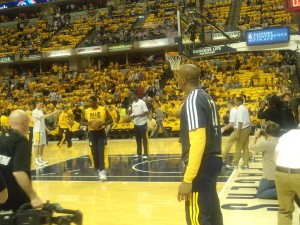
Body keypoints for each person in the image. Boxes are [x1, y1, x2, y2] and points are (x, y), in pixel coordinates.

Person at [176, 64, 223, 225]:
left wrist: (188, 179)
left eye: (177, 77)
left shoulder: (192, 100)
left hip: (201, 164)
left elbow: (198, 141)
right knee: (212, 214)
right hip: (214, 159)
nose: (176, 80)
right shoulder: (206, 97)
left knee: (198, 218)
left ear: (182, 80)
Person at [0, 110, 43, 210]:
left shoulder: (1, 138)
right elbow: (18, 172)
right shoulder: (21, 141)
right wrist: (34, 197)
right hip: (17, 203)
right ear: (24, 123)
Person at [274, 128, 300, 225]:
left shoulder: (285, 136)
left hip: (281, 173)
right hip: (298, 174)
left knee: (284, 211)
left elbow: (275, 159)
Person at [249, 121, 281, 199]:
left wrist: (255, 136)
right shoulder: (281, 141)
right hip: (282, 175)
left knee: (261, 194)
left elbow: (251, 147)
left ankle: (286, 191)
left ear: (267, 132)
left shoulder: (267, 144)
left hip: (270, 176)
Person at [85, 96, 112, 181]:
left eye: (91, 101)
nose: (89, 103)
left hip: (101, 132)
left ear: (95, 102)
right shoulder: (86, 111)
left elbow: (111, 120)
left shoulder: (103, 110)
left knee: (101, 151)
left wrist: (102, 124)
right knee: (94, 152)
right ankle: (98, 169)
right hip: (92, 133)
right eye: (88, 102)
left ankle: (102, 170)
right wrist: (88, 123)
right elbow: (81, 121)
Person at [32, 101, 61, 166]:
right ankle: (36, 160)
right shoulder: (35, 112)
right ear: (36, 104)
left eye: (41, 104)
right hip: (37, 131)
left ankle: (40, 158)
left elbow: (42, 122)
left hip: (42, 130)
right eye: (40, 104)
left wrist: (47, 130)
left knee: (42, 145)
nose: (41, 105)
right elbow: (44, 117)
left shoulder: (40, 111)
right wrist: (54, 113)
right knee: (37, 145)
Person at [230, 97, 251, 169]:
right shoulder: (245, 108)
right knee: (245, 147)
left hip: (243, 129)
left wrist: (237, 132)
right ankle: (245, 164)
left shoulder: (240, 109)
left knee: (238, 146)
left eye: (235, 101)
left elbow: (240, 122)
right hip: (247, 128)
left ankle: (235, 164)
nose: (234, 102)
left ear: (239, 101)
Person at [129, 91, 149, 159]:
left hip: (143, 123)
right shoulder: (133, 104)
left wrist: (136, 116)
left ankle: (145, 153)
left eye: (132, 95)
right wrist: (130, 117)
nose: (131, 97)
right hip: (136, 123)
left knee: (144, 139)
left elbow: (146, 112)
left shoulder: (142, 102)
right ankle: (139, 152)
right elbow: (133, 113)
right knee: (137, 139)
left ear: (136, 95)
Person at [221, 102, 237, 167]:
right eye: (227, 105)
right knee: (243, 145)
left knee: (229, 141)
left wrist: (223, 129)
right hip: (240, 129)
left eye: (228, 105)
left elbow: (231, 123)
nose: (227, 107)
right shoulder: (235, 111)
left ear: (232, 105)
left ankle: (223, 157)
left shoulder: (233, 111)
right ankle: (250, 156)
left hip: (238, 129)